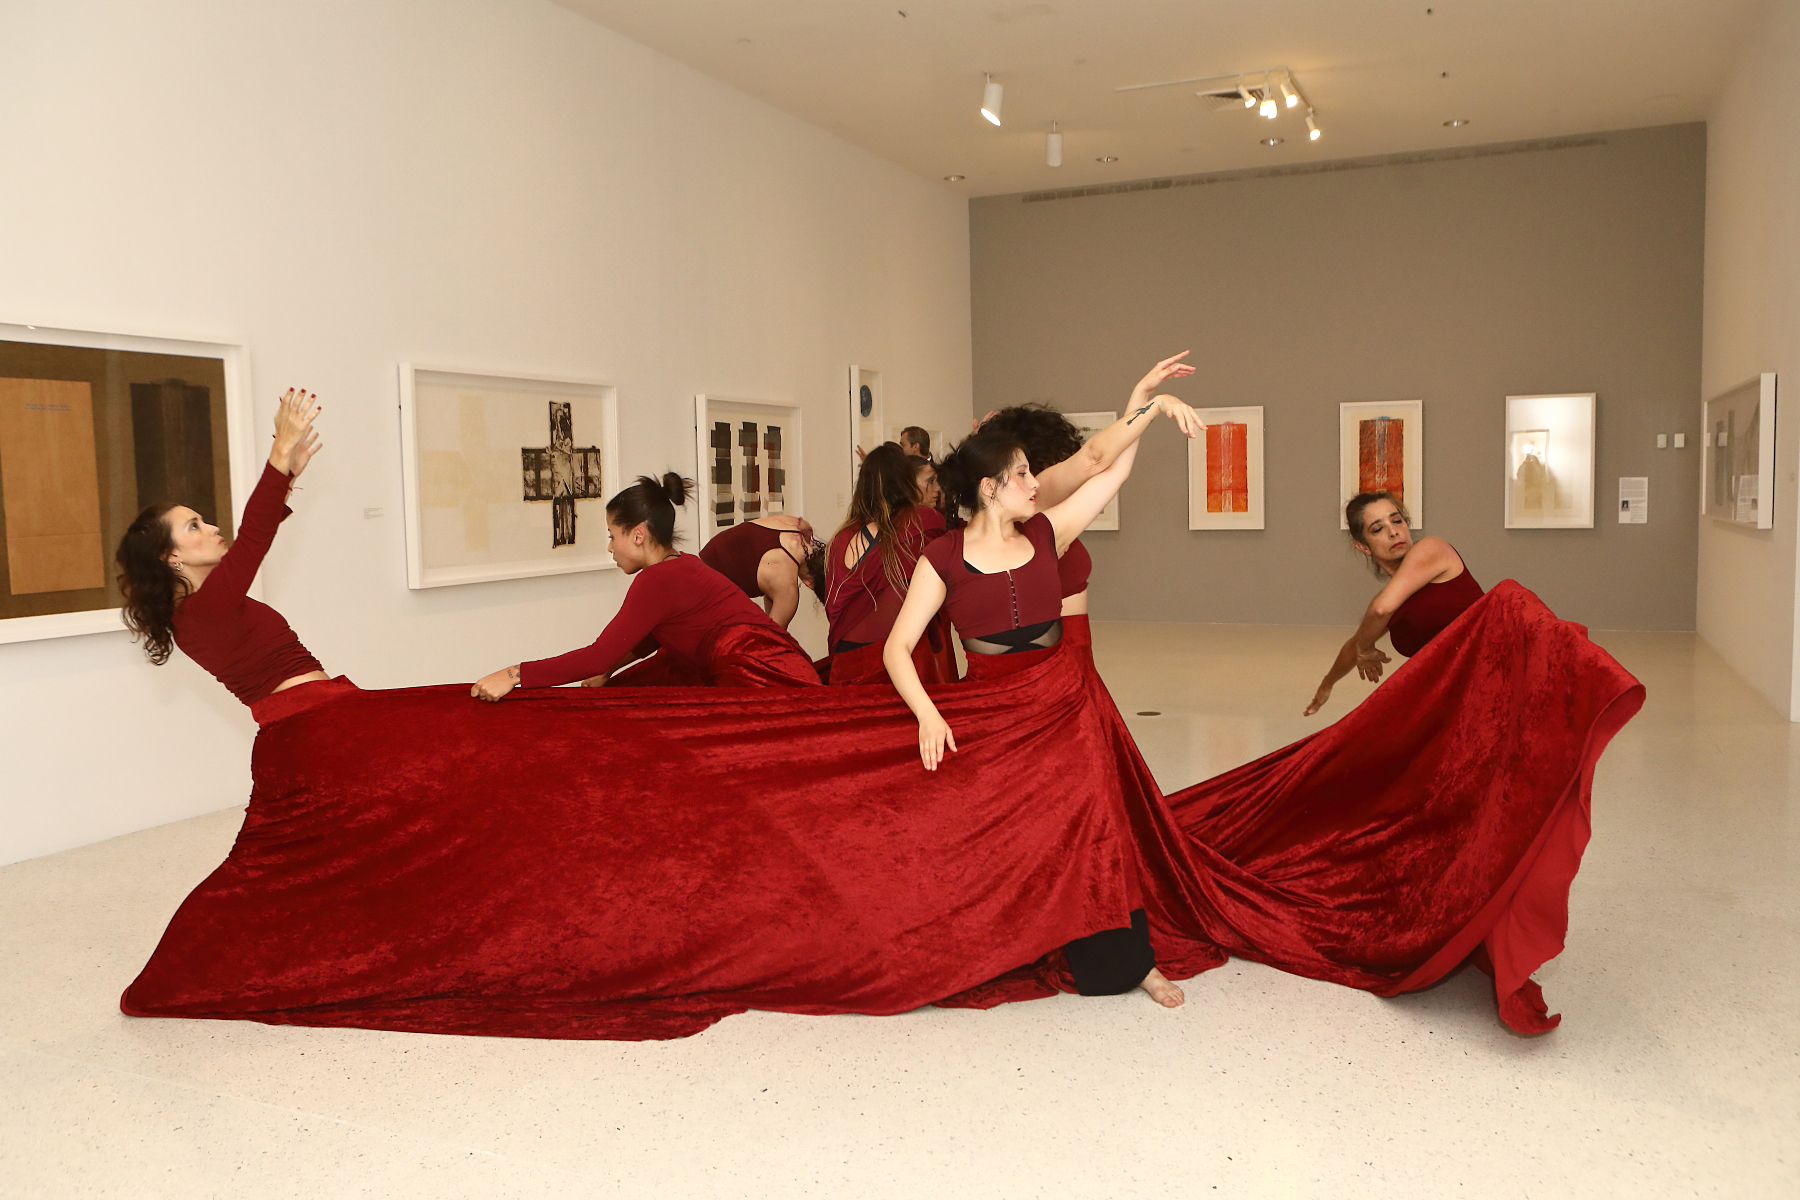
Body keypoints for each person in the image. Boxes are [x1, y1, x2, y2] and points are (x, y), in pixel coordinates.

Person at [883, 420, 1194, 1009]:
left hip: (1062, 702)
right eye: (1021, 474)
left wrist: (1150, 407)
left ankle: (1134, 963)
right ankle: (1014, 940)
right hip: (992, 711)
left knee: (1099, 822)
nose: (1033, 483)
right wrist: (927, 714)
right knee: (1011, 833)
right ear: (987, 487)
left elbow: (1115, 469)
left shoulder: (1049, 531)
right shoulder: (942, 556)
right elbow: (897, 648)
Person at [114, 388, 348, 726]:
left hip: (311, 720)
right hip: (314, 722)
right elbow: (255, 535)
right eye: (194, 526)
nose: (212, 527)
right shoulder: (205, 610)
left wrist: (287, 477)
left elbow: (255, 535)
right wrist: (281, 448)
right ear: (171, 555)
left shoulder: (197, 611)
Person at [472, 474, 819, 698]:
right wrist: (607, 671)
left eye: (612, 536)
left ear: (638, 535)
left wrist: (514, 675)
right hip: (771, 671)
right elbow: (645, 639)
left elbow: (598, 654)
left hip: (768, 678)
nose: (610, 547)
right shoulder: (680, 565)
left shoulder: (657, 579)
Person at [1303, 491, 1482, 717]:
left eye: (1397, 521)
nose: (1393, 531)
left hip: (1501, 664)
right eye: (1378, 529)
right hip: (1463, 693)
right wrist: (1327, 683)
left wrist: (1366, 650)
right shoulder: (1392, 596)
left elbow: (1380, 611)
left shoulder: (1432, 548)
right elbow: (1354, 644)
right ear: (1364, 547)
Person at [823, 444, 953, 686]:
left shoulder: (841, 537)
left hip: (846, 657)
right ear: (907, 482)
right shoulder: (924, 520)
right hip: (897, 656)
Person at [696, 514, 827, 629]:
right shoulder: (787, 589)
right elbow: (773, 637)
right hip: (705, 595)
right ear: (809, 583)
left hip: (697, 563)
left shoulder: (800, 526)